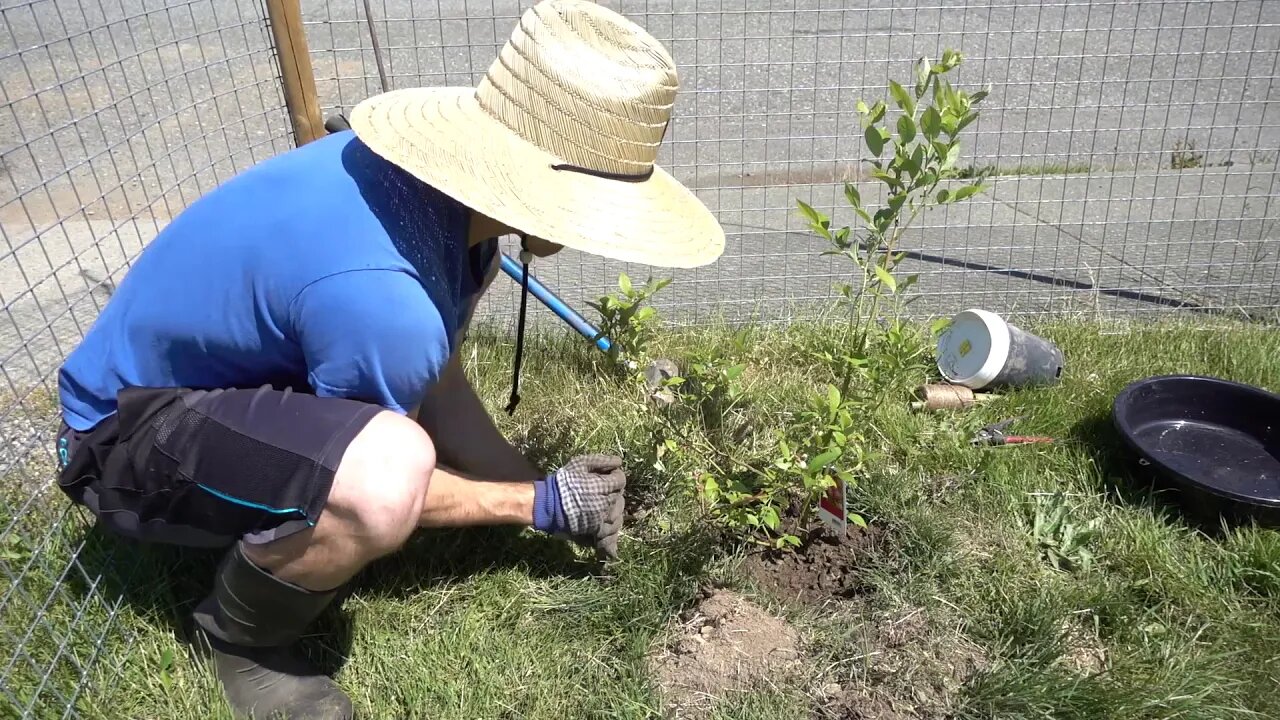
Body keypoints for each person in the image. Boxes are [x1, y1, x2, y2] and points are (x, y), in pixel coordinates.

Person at [51, 1, 724, 717]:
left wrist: (533, 482)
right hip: (118, 439)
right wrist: (534, 504)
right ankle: (238, 640)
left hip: (206, 384)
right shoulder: (384, 298)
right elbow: (382, 471)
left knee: (390, 447)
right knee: (383, 479)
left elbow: (436, 376)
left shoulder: (433, 206)